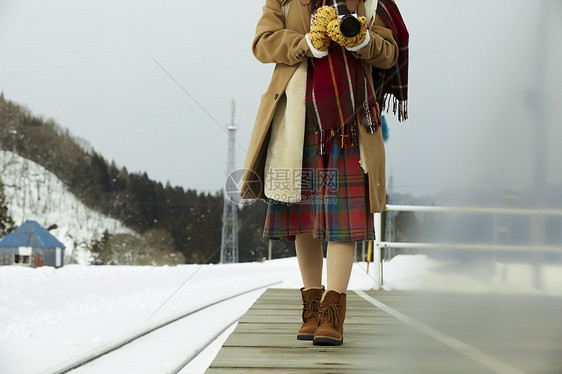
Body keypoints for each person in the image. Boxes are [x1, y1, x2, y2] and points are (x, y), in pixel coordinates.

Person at [240, 0, 408, 346]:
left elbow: (389, 53)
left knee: (342, 218)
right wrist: (308, 43)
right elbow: (263, 42)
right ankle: (312, 307)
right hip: (297, 122)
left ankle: (333, 312)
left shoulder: (371, 2)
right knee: (303, 215)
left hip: (352, 122)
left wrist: (361, 40)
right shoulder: (282, 1)